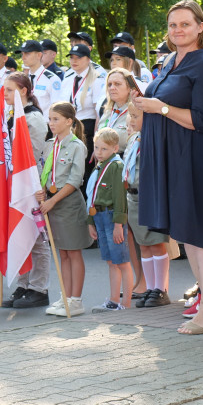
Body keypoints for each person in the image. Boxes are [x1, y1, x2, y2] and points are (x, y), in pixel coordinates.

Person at [135, 0, 203, 336]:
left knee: (202, 231)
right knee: (187, 232)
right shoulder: (172, 60)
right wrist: (145, 106)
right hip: (169, 157)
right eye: (173, 25)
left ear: (201, 26)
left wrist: (162, 108)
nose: (177, 30)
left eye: (185, 24)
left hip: (195, 158)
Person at [1, 74, 51, 309]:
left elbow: (31, 155)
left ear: (23, 91)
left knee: (36, 237)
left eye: (10, 90)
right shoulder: (9, 115)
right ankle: (23, 284)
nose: (5, 95)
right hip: (13, 183)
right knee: (18, 233)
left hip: (30, 183)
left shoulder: (34, 118)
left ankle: (39, 288)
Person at [37, 102, 91, 316]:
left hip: (67, 203)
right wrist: (42, 192)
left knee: (73, 251)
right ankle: (65, 296)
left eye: (56, 119)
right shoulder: (50, 144)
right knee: (63, 253)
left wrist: (52, 200)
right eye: (50, 119)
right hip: (52, 202)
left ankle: (76, 300)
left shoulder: (76, 146)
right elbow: (46, 170)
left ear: (69, 121)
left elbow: (75, 180)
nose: (51, 123)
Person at [123, 102, 171, 308]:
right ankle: (150, 287)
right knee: (143, 244)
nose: (132, 120)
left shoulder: (155, 138)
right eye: (130, 116)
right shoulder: (134, 139)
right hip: (133, 197)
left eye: (136, 116)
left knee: (156, 243)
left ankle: (161, 289)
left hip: (150, 196)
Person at [87, 128, 133, 311]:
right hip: (99, 216)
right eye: (96, 147)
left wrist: (118, 225)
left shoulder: (116, 166)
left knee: (121, 261)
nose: (99, 152)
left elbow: (120, 197)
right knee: (111, 261)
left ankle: (126, 302)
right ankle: (114, 300)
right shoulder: (100, 165)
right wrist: (91, 222)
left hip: (112, 216)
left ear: (115, 148)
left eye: (104, 149)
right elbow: (93, 195)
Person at [61, 44, 106, 180]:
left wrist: (97, 136)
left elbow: (98, 111)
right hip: (69, 126)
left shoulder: (96, 79)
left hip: (87, 127)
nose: (74, 61)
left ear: (88, 59)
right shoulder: (68, 78)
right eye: (72, 58)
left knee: (84, 167)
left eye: (78, 58)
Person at [96, 69, 138, 153]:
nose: (112, 88)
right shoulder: (107, 110)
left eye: (117, 84)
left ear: (129, 87)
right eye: (109, 84)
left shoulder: (136, 112)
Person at [18, 40, 62, 114]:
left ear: (39, 55)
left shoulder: (52, 79)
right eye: (22, 54)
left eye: (27, 54)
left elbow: (57, 107)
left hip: (44, 123)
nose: (23, 58)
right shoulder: (23, 78)